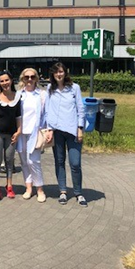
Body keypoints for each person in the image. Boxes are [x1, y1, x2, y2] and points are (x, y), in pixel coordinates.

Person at [45, 62, 87, 207]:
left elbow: (81, 109)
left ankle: (78, 192)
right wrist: (49, 129)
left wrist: (80, 128)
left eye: (61, 71)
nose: (59, 74)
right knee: (59, 161)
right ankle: (62, 191)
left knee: (75, 163)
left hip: (72, 130)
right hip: (57, 131)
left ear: (65, 72)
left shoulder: (74, 88)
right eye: (56, 72)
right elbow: (48, 110)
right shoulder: (50, 88)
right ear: (53, 74)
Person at [16, 68, 47, 203]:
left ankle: (40, 189)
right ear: (22, 79)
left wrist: (47, 129)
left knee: (33, 161)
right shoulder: (19, 94)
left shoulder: (42, 95)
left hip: (35, 131)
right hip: (21, 132)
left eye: (32, 77)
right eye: (26, 77)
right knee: (24, 161)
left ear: (36, 79)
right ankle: (28, 187)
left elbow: (46, 113)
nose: (29, 79)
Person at [0, 70, 21, 199]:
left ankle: (9, 186)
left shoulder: (18, 96)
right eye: (2, 81)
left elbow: (18, 116)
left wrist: (18, 131)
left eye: (7, 80)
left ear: (11, 80)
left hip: (11, 134)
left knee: (9, 160)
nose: (4, 83)